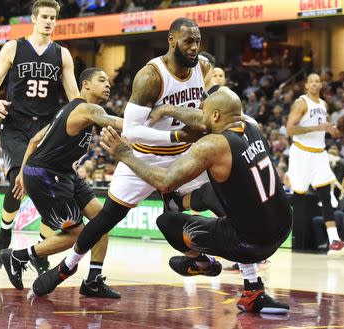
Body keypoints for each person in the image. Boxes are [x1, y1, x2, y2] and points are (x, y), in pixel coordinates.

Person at [30, 17, 228, 294]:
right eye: (189, 41)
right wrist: (175, 135)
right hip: (143, 156)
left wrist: (183, 120)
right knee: (106, 218)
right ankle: (66, 266)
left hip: (182, 155)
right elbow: (133, 132)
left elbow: (201, 112)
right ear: (171, 40)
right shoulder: (150, 77)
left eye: (198, 41)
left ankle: (249, 282)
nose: (195, 47)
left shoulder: (203, 67)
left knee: (220, 203)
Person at [101, 87, 291, 313]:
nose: (200, 114)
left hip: (250, 243)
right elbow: (204, 119)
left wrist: (124, 154)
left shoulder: (213, 145)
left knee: (168, 223)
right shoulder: (251, 125)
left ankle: (202, 263)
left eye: (204, 111)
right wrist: (168, 109)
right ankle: (253, 290)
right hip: (282, 226)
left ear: (216, 116)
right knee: (214, 194)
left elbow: (164, 181)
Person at [0, 68, 122, 298]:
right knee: (78, 234)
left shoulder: (66, 109)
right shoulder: (86, 108)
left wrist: (22, 172)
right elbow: (116, 123)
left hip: (63, 173)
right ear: (85, 84)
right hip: (47, 175)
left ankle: (93, 280)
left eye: (108, 82)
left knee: (102, 220)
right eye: (102, 80)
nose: (108, 85)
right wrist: (158, 127)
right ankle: (18, 256)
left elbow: (35, 140)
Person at [0, 0, 80, 272]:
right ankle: (5, 232)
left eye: (53, 17)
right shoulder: (13, 47)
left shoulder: (62, 54)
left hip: (47, 128)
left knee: (50, 189)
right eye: (45, 17)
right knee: (19, 177)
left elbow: (74, 97)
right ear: (34, 19)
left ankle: (40, 250)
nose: (49, 21)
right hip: (16, 124)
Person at [286, 73, 344, 256]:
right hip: (301, 152)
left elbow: (327, 130)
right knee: (299, 196)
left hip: (319, 153)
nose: (316, 84)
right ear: (306, 86)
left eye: (319, 81)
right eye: (312, 81)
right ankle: (283, 235)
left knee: (325, 194)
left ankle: (334, 241)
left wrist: (336, 130)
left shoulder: (323, 104)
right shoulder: (301, 103)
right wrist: (316, 128)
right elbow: (290, 129)